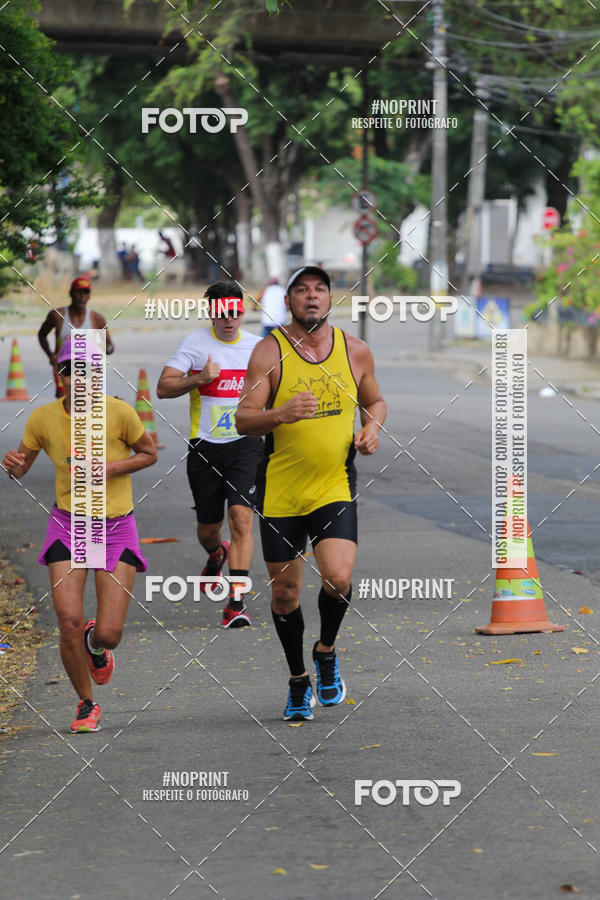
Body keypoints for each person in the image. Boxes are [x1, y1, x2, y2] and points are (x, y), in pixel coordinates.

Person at [236, 265, 386, 721]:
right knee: (285, 594)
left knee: (338, 579)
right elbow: (243, 418)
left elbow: (375, 401)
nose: (312, 297)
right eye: (302, 290)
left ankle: (325, 650)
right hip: (280, 490)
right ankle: (298, 679)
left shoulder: (355, 351)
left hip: (333, 485)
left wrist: (372, 428)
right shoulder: (269, 352)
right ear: (290, 302)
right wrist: (280, 414)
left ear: (330, 299)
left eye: (320, 289)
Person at [2, 336, 157, 734]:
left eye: (90, 373)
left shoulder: (120, 413)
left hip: (115, 526)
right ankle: (86, 704)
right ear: (62, 377)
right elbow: (21, 468)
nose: (82, 380)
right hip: (68, 524)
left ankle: (96, 644)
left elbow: (149, 453)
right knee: (67, 620)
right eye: (74, 372)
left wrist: (112, 468)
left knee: (109, 633)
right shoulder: (43, 419)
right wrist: (13, 465)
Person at [156, 282, 262, 628]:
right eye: (221, 313)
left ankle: (236, 602)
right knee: (207, 529)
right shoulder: (195, 344)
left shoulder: (258, 348)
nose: (228, 320)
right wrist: (200, 378)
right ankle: (217, 553)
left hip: (246, 444)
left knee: (242, 519)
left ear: (242, 312)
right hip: (205, 447)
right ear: (211, 313)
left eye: (234, 313)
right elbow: (163, 387)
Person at [38, 275, 114, 398]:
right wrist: (50, 355)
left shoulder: (96, 319)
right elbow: (42, 335)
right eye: (78, 291)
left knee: (88, 404)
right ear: (71, 293)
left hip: (90, 370)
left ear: (89, 296)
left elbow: (109, 345)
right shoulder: (57, 316)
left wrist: (105, 349)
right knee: (64, 402)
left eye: (85, 292)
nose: (82, 296)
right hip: (64, 369)